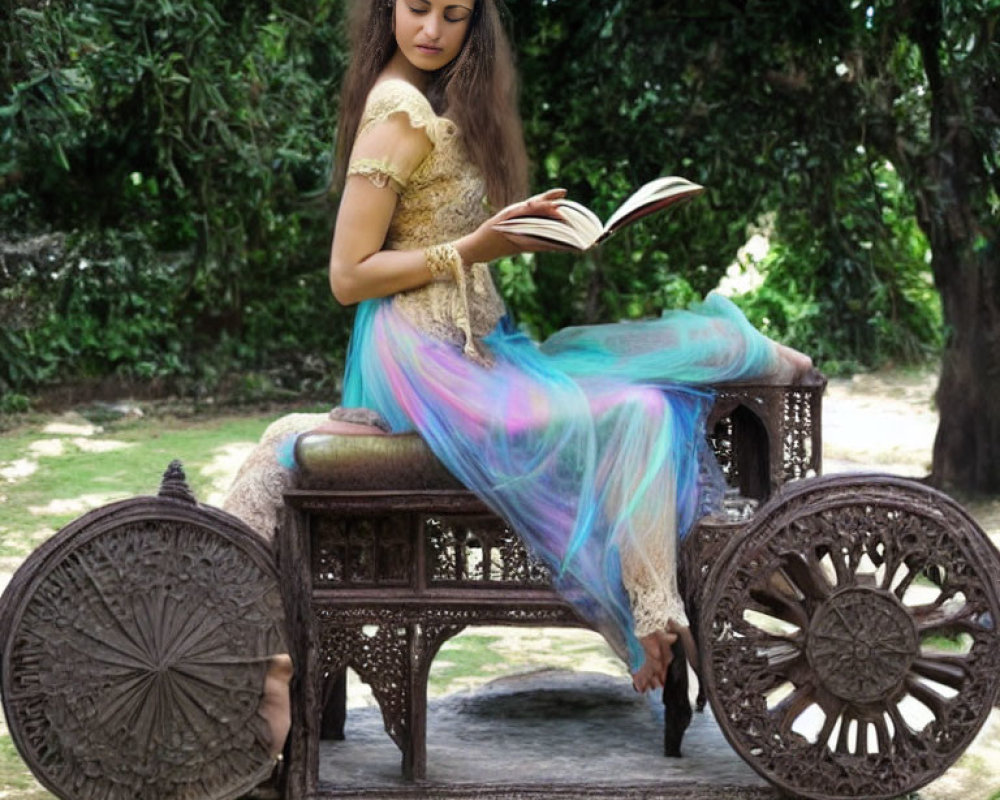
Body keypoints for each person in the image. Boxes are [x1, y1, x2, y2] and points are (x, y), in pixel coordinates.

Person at [324, 0, 812, 694]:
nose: (432, 30)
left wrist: (523, 236)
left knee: (617, 362)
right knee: (636, 410)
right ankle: (651, 612)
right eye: (417, 8)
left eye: (454, 14)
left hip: (477, 345)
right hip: (424, 359)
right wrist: (477, 246)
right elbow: (348, 278)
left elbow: (435, 238)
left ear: (477, 23)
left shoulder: (439, 97)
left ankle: (738, 354)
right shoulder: (398, 112)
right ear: (387, 10)